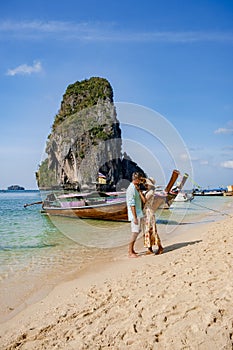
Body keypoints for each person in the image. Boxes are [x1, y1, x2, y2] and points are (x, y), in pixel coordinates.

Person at [141, 177, 164, 255]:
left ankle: (160, 247)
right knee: (147, 230)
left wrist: (140, 193)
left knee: (151, 230)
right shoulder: (149, 191)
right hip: (147, 211)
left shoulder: (150, 192)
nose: (145, 184)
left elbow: (144, 201)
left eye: (146, 183)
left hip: (148, 212)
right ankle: (149, 248)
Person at [126, 172, 144, 258]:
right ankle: (130, 252)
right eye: (140, 179)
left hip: (138, 213)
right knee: (134, 232)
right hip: (135, 214)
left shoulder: (135, 188)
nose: (141, 181)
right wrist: (135, 217)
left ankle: (132, 250)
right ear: (136, 179)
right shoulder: (131, 189)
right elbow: (131, 204)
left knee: (137, 231)